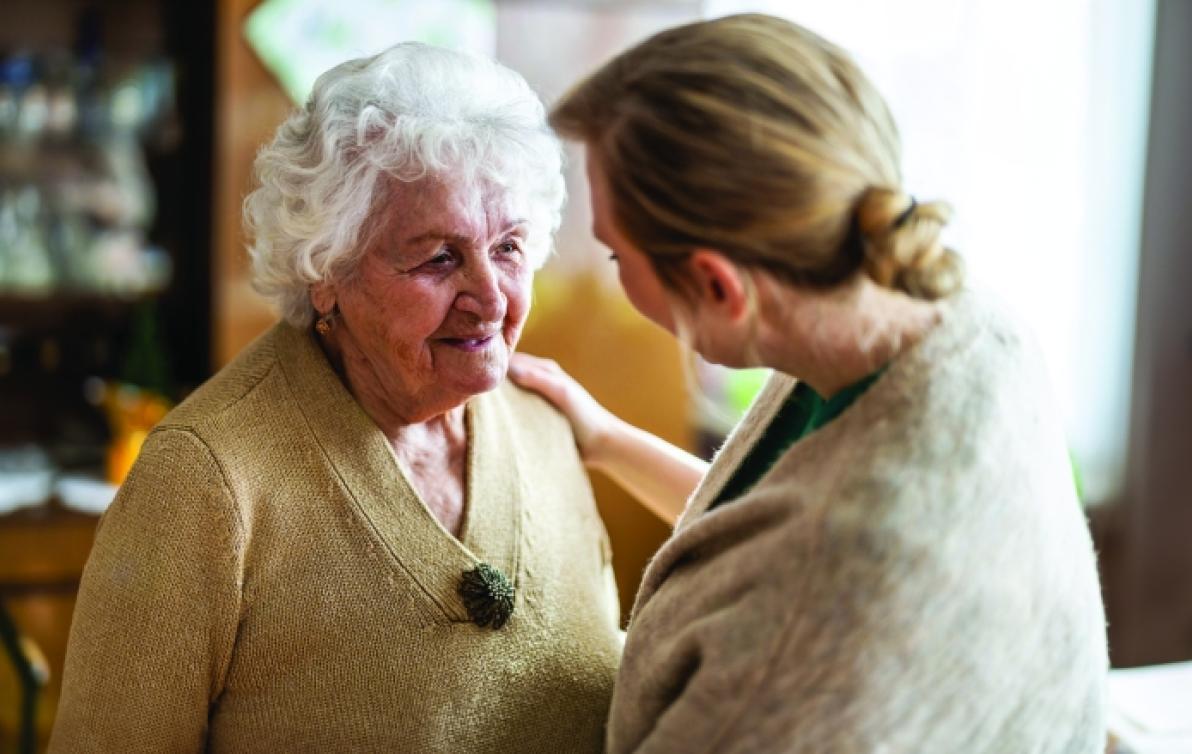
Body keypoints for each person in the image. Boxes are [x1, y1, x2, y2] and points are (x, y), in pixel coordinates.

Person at [510, 13, 1108, 753]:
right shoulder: (950, 318)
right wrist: (605, 440)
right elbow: (768, 530)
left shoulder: (820, 618)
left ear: (718, 287)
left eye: (613, 255)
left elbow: (804, 572)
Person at [50, 43, 622, 753]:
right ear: (326, 270)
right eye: (438, 257)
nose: (490, 298)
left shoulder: (546, 427)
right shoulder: (204, 481)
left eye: (508, 247)